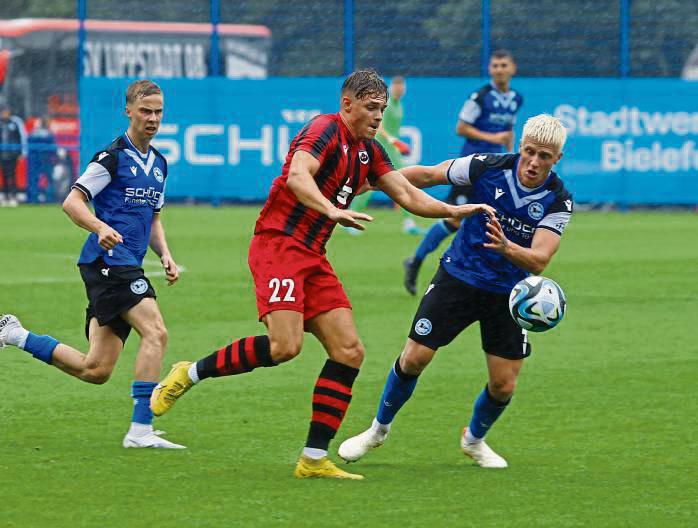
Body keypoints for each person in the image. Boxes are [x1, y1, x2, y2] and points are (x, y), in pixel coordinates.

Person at [149, 69, 495, 480]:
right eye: (371, 108)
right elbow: (298, 176)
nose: (378, 117)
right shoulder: (323, 130)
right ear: (347, 104)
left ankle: (313, 459)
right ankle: (189, 373)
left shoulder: (371, 150)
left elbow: (405, 193)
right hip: (277, 244)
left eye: (382, 110)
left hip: (313, 255)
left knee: (350, 351)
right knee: (284, 347)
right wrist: (329, 209)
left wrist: (454, 210)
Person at [338, 114, 573, 469]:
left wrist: (508, 248)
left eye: (545, 156)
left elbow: (539, 260)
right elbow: (429, 174)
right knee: (414, 358)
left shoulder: (558, 200)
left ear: (557, 159)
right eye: (530, 152)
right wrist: (378, 182)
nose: (534, 162)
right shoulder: (486, 166)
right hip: (459, 276)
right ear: (519, 148)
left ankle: (475, 440)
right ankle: (377, 430)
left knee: (503, 386)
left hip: (509, 295)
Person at [0, 80, 184, 449]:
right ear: (128, 111)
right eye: (145, 110)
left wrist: (164, 253)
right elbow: (72, 202)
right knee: (156, 333)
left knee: (95, 369)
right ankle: (140, 430)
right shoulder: (111, 157)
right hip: (108, 262)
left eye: (158, 111)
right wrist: (100, 226)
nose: (152, 118)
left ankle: (15, 335)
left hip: (127, 261)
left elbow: (154, 219)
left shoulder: (160, 164)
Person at [403, 50, 523, 294]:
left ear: (513, 69)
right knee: (454, 219)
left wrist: (510, 153)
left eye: (503, 65)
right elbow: (461, 127)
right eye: (495, 65)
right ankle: (416, 261)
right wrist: (493, 137)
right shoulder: (479, 97)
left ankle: (495, 275)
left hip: (496, 170)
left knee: (497, 220)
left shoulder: (516, 99)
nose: (499, 69)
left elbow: (508, 131)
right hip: (473, 168)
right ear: (490, 69)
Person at [348, 76, 422, 235]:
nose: (400, 89)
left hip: (392, 149)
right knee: (370, 185)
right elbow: (378, 124)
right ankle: (350, 218)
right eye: (397, 86)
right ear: (391, 88)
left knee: (400, 182)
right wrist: (390, 139)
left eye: (402, 87)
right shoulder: (385, 104)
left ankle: (408, 222)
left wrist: (394, 142)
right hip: (381, 146)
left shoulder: (399, 104)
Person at [0, 103, 27, 207]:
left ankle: (13, 196)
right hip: (2, 154)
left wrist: (22, 152)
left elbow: (22, 137)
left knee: (12, 175)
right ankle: (5, 196)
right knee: (4, 175)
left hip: (13, 154)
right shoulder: (1, 123)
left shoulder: (16, 122)